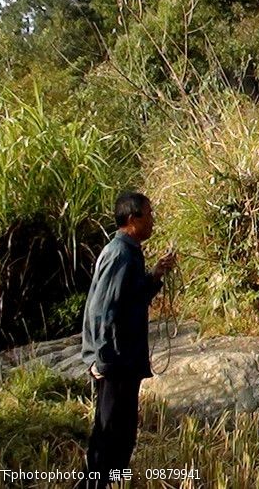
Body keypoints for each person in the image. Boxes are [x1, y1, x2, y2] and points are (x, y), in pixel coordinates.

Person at [80, 192, 176, 486]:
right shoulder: (120, 253)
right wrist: (101, 359)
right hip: (115, 362)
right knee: (110, 434)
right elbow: (101, 310)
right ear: (132, 219)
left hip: (124, 360)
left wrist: (157, 274)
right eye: (148, 214)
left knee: (122, 433)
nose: (152, 220)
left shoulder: (130, 251)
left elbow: (130, 300)